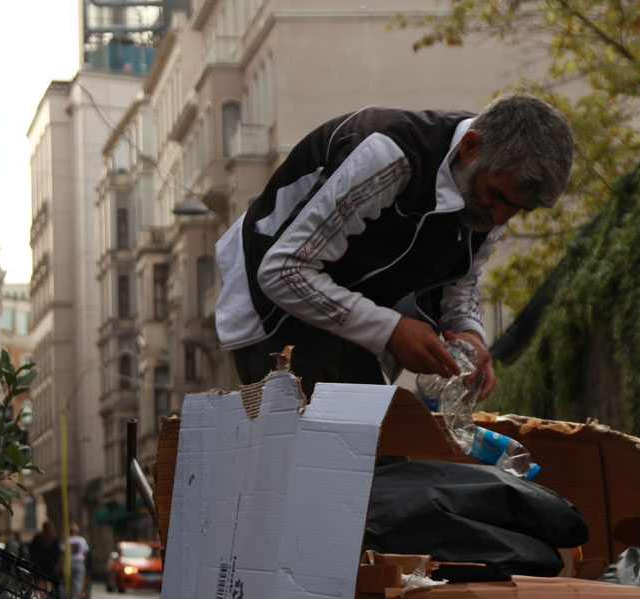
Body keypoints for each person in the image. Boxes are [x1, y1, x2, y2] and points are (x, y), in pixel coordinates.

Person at [214, 94, 574, 399]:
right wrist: (390, 329)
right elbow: (281, 270)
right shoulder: (387, 155)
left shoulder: (488, 184)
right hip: (273, 318)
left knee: (382, 459)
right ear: (470, 147)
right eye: (497, 196)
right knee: (332, 466)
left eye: (517, 211)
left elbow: (461, 282)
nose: (499, 217)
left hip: (352, 319)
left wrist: (470, 335)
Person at [67, 523, 91, 599]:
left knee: (71, 587)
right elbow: (85, 554)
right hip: (79, 564)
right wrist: (84, 566)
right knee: (78, 586)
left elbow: (65, 553)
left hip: (70, 564)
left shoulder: (67, 540)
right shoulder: (82, 540)